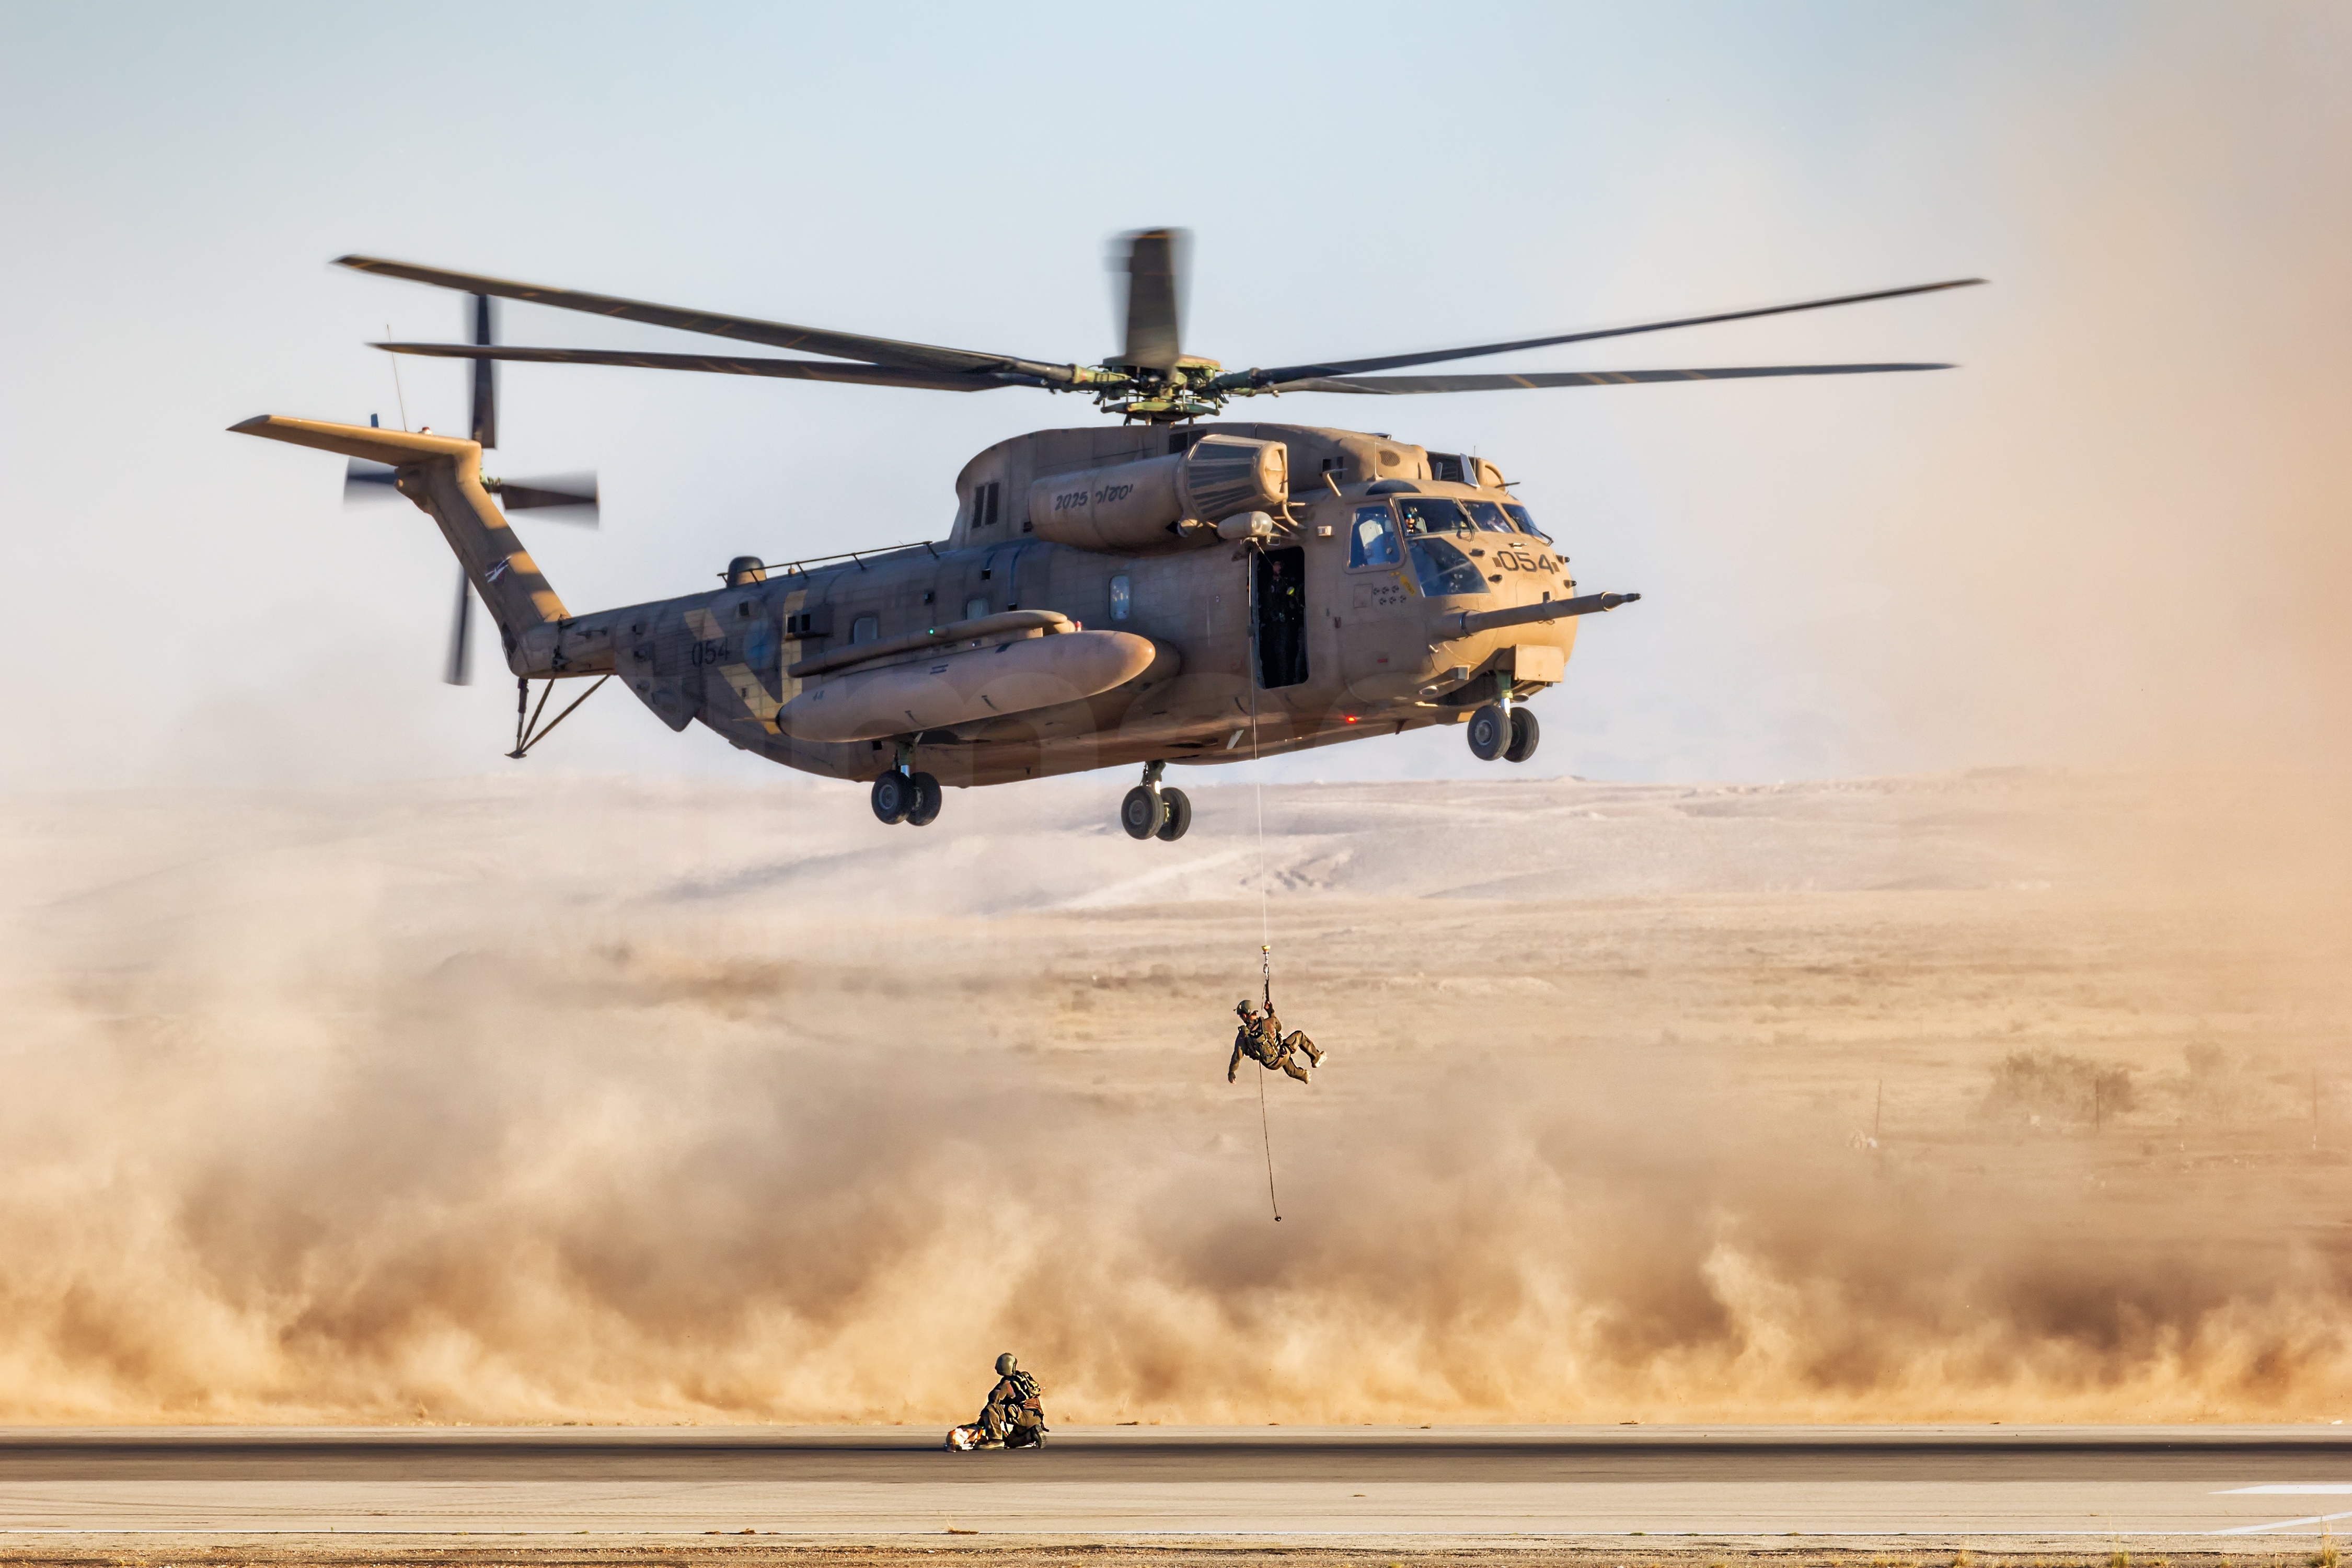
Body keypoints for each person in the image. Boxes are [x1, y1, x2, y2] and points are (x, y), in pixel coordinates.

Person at [1228, 996, 1325, 1085]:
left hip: (1270, 1065)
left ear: (1245, 1016)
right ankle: (1316, 1058)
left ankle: (1304, 1076)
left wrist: (1231, 1072)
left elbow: (1237, 1056)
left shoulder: (1243, 1036)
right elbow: (1279, 1027)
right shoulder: (1269, 1022)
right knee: (1299, 1036)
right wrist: (1271, 1012)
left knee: (1285, 1059)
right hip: (1282, 1055)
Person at [977, 1352, 1045, 1448]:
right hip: (1037, 1417)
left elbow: (992, 1405)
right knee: (1010, 1442)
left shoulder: (1005, 1385)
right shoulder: (1025, 1378)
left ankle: (995, 1441)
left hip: (1023, 1416)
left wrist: (981, 1423)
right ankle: (1032, 1434)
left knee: (991, 1409)